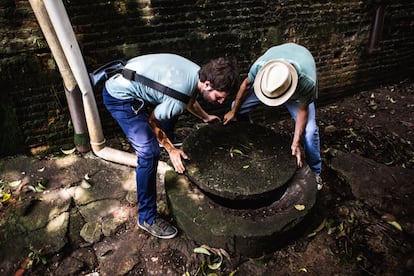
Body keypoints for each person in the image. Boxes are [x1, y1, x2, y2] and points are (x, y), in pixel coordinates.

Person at [102, 53, 239, 239]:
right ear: (207, 84)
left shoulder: (197, 72)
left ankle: (166, 140)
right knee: (149, 153)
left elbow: (187, 98)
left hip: (134, 84)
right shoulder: (178, 98)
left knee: (173, 109)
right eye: (219, 97)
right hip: (120, 98)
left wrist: (206, 117)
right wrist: (170, 149)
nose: (222, 102)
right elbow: (154, 120)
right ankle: (147, 218)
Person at [223, 43, 323, 190]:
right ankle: (250, 136)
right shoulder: (260, 68)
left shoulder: (307, 82)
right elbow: (245, 85)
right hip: (270, 85)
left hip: (296, 93)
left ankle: (315, 172)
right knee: (236, 108)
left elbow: (303, 111)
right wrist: (234, 110)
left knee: (310, 132)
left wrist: (295, 144)